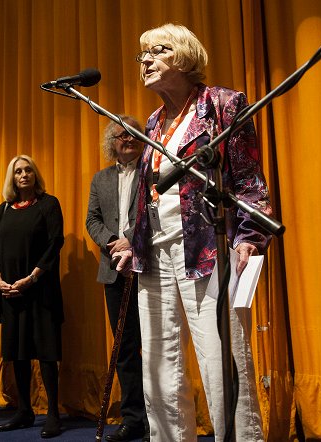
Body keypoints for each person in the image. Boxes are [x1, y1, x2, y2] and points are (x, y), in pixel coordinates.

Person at [115, 23, 272, 441]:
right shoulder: (152, 120)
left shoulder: (222, 103)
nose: (144, 61)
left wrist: (249, 238)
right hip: (155, 255)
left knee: (222, 363)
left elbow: (249, 182)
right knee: (160, 369)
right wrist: (133, 239)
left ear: (183, 56)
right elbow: (151, 193)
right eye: (140, 55)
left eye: (155, 52)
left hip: (206, 249)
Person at [0, 155, 65, 439]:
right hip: (10, 291)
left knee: (46, 353)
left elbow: (55, 243)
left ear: (35, 174)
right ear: (12, 177)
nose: (24, 174)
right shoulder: (4, 208)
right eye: (18, 171)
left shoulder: (48, 204)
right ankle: (24, 410)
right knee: (17, 353)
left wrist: (32, 278)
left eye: (28, 170)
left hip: (40, 290)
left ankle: (53, 414)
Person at [85, 117, 148, 441]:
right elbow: (92, 219)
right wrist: (113, 241)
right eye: (121, 135)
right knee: (123, 348)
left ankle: (158, 419)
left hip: (147, 267)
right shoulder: (101, 179)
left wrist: (129, 239)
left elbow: (152, 211)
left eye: (133, 133)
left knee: (153, 346)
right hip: (113, 270)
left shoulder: (151, 170)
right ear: (112, 142)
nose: (128, 139)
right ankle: (133, 418)